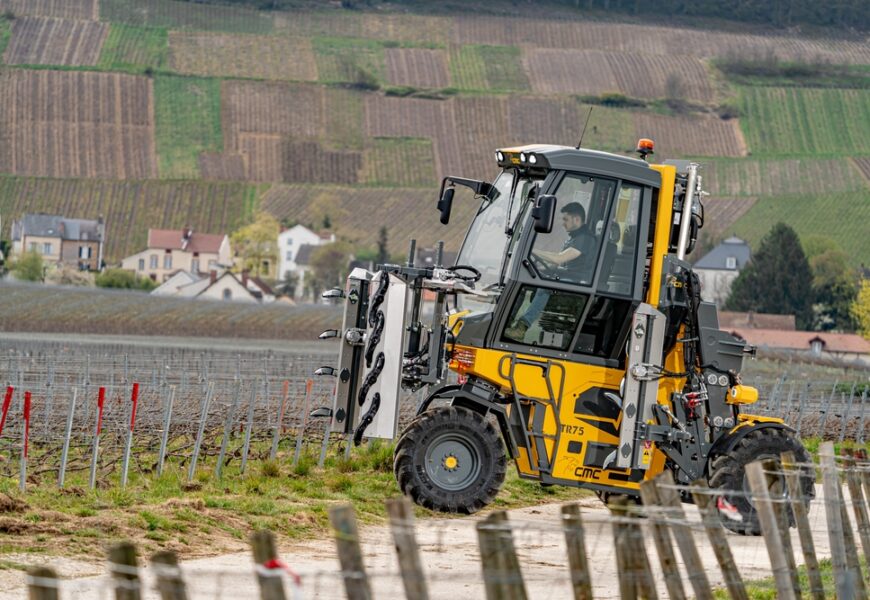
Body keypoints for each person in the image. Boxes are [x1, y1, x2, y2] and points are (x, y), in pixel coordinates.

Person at [505, 202, 596, 342]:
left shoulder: (585, 239)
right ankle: (508, 321)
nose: (563, 224)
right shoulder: (575, 238)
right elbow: (561, 263)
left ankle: (522, 327)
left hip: (578, 283)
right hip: (568, 277)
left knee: (545, 286)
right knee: (526, 281)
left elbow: (559, 259)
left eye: (566, 219)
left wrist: (531, 250)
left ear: (576, 219)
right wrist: (539, 268)